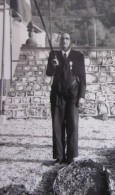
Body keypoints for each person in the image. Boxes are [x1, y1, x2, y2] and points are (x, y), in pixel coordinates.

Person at [46, 32, 86, 164]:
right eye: (62, 38)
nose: (64, 40)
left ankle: (71, 156)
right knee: (57, 126)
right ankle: (59, 156)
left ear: (70, 41)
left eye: (67, 38)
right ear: (59, 41)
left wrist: (82, 95)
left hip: (72, 94)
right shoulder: (54, 55)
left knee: (72, 125)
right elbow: (49, 73)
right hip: (57, 94)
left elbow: (83, 78)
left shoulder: (78, 56)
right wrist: (53, 64)